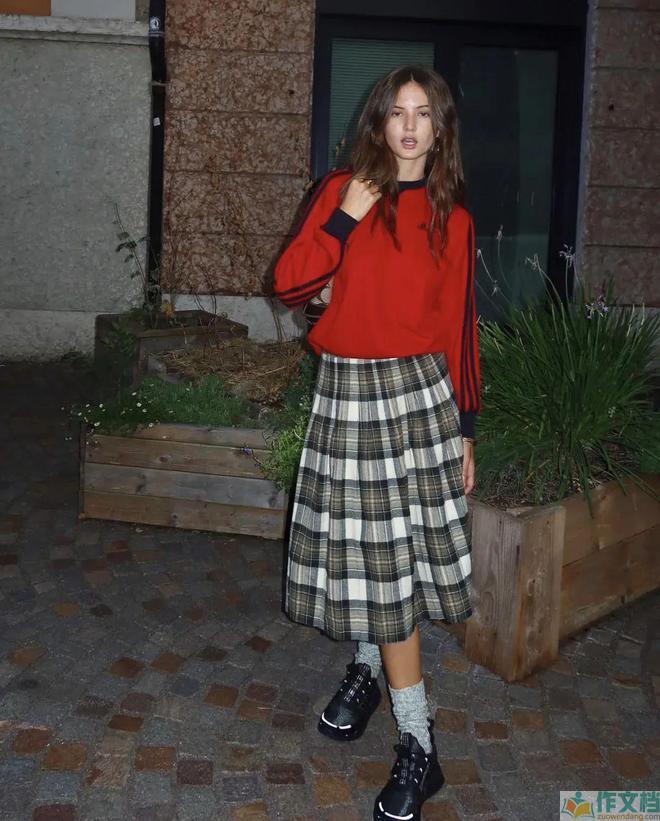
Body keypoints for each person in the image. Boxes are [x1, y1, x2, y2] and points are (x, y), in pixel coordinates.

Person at [272, 64, 480, 821]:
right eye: (398, 112)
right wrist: (343, 220)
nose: (410, 125)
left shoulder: (454, 219)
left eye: (424, 113)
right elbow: (290, 284)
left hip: (418, 400)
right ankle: (368, 667)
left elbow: (459, 329)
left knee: (393, 568)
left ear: (440, 128)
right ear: (380, 122)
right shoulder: (343, 190)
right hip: (348, 397)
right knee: (367, 553)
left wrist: (466, 427)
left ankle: (419, 744)